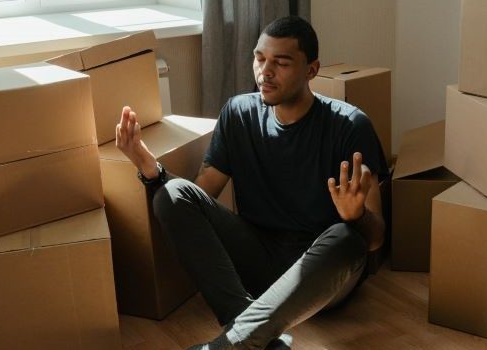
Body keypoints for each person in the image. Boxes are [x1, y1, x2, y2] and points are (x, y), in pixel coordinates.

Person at [114, 16, 387, 350]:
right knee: (171, 193)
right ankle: (253, 337)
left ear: (312, 70)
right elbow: (201, 195)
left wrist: (356, 216)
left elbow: (375, 240)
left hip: (322, 274)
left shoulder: (350, 126)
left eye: (281, 63)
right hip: (258, 259)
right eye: (259, 59)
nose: (265, 71)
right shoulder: (238, 113)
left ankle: (231, 343)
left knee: (347, 237)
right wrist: (149, 167)